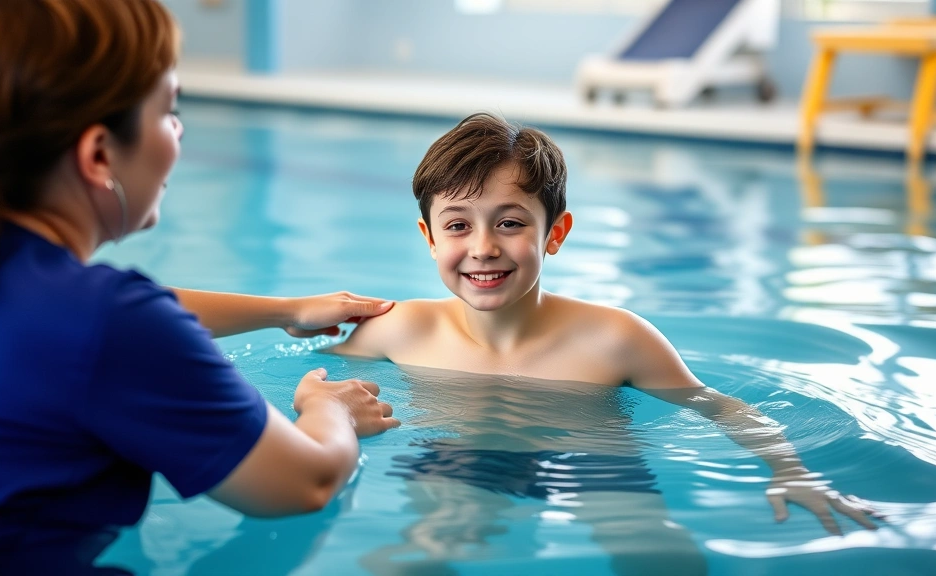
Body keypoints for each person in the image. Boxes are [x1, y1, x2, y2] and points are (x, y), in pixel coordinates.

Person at [331, 113, 882, 569]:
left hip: (591, 462)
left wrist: (791, 468)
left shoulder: (616, 339)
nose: (483, 248)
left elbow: (720, 407)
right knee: (413, 559)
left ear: (555, 234)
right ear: (429, 237)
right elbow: (317, 387)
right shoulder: (400, 329)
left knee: (660, 555)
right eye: (457, 226)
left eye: (510, 223)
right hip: (455, 457)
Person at [0, 0, 399, 571]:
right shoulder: (109, 323)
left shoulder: (24, 281)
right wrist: (330, 410)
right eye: (169, 111)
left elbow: (86, 323)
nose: (178, 132)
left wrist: (286, 309)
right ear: (100, 154)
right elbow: (306, 482)